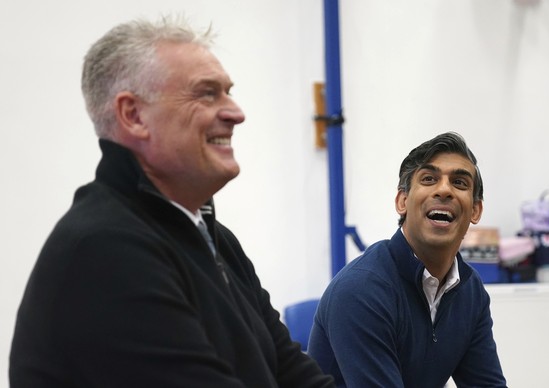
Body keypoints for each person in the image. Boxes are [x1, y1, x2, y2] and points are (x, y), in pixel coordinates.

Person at [10, 16, 335, 388]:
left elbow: (293, 372)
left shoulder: (214, 238)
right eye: (206, 93)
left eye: (228, 91)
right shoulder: (106, 249)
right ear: (133, 116)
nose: (236, 113)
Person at [308, 132, 507, 387]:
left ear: (475, 210)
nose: (444, 190)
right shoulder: (361, 289)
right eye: (429, 179)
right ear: (402, 201)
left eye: (459, 183)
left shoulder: (470, 290)